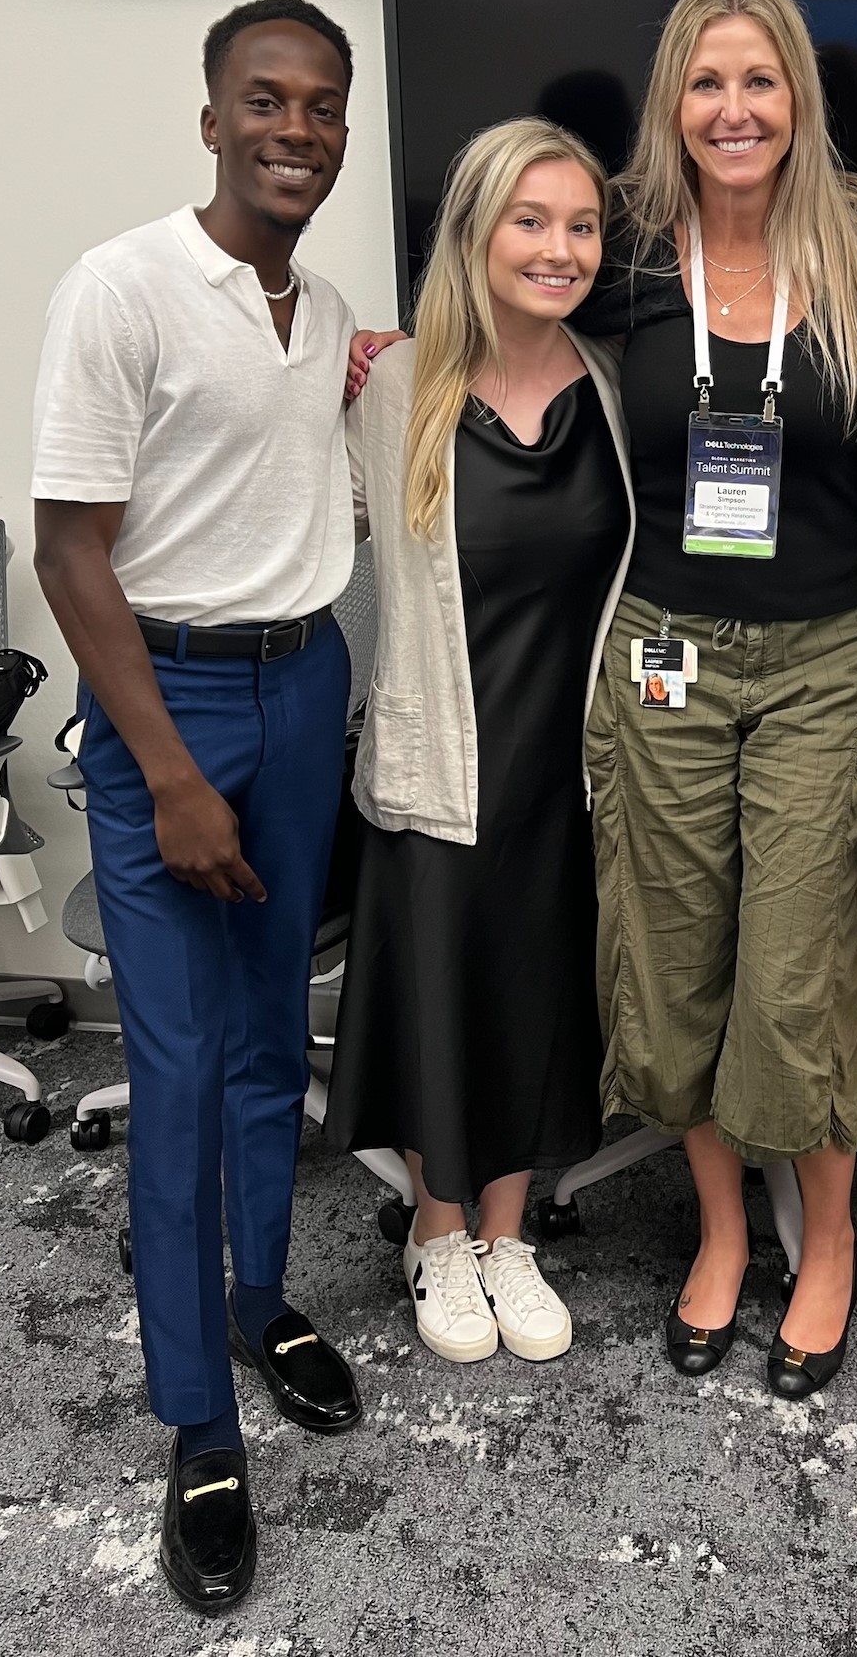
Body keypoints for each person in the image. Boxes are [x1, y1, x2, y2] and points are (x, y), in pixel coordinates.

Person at [31, 0, 365, 1613]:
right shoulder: (122, 286)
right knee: (172, 1071)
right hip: (166, 702)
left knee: (263, 1036)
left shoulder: (329, 304)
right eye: (266, 101)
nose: (296, 129)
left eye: (323, 107)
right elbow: (67, 547)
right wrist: (163, 764)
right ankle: (197, 1420)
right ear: (213, 116)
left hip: (302, 686)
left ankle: (256, 1292)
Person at [579, 0, 857, 1397]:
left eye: (758, 81)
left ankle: (826, 1247)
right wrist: (393, 349)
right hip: (665, 649)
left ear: (798, 99)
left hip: (827, 653)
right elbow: (502, 310)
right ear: (673, 103)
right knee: (674, 951)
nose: (733, 109)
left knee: (799, 969)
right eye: (706, 83)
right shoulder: (626, 250)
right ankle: (720, 1231)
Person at [323, 118, 633, 1368]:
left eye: (581, 226)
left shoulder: (612, 387)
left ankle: (509, 1232)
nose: (559, 249)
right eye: (531, 222)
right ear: (473, 231)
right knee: (441, 1000)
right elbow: (292, 529)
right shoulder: (393, 386)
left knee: (535, 996)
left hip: (571, 763)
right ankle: (438, 1231)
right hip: (441, 752)